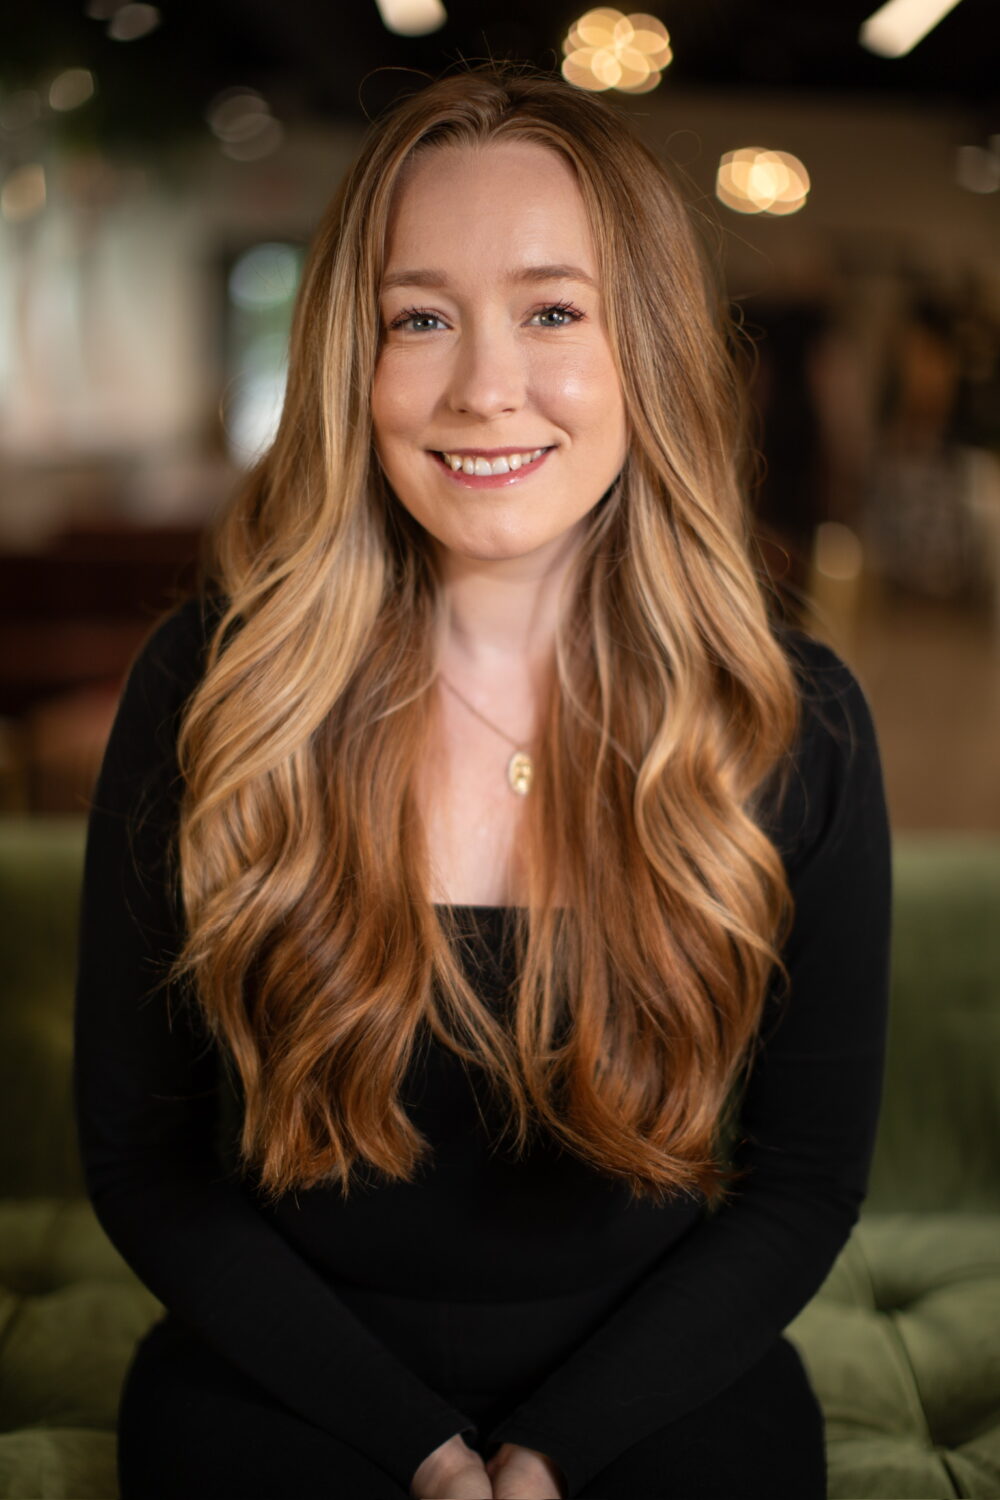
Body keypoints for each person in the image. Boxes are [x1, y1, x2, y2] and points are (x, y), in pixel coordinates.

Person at [72, 61, 892, 1500]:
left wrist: (555, 1452)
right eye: (421, 319)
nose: (482, 388)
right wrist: (429, 1460)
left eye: (553, 311)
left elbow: (805, 1188)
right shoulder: (212, 693)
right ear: (353, 360)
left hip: (666, 1396)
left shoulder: (793, 721)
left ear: (645, 344)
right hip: (282, 1388)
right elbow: (147, 1171)